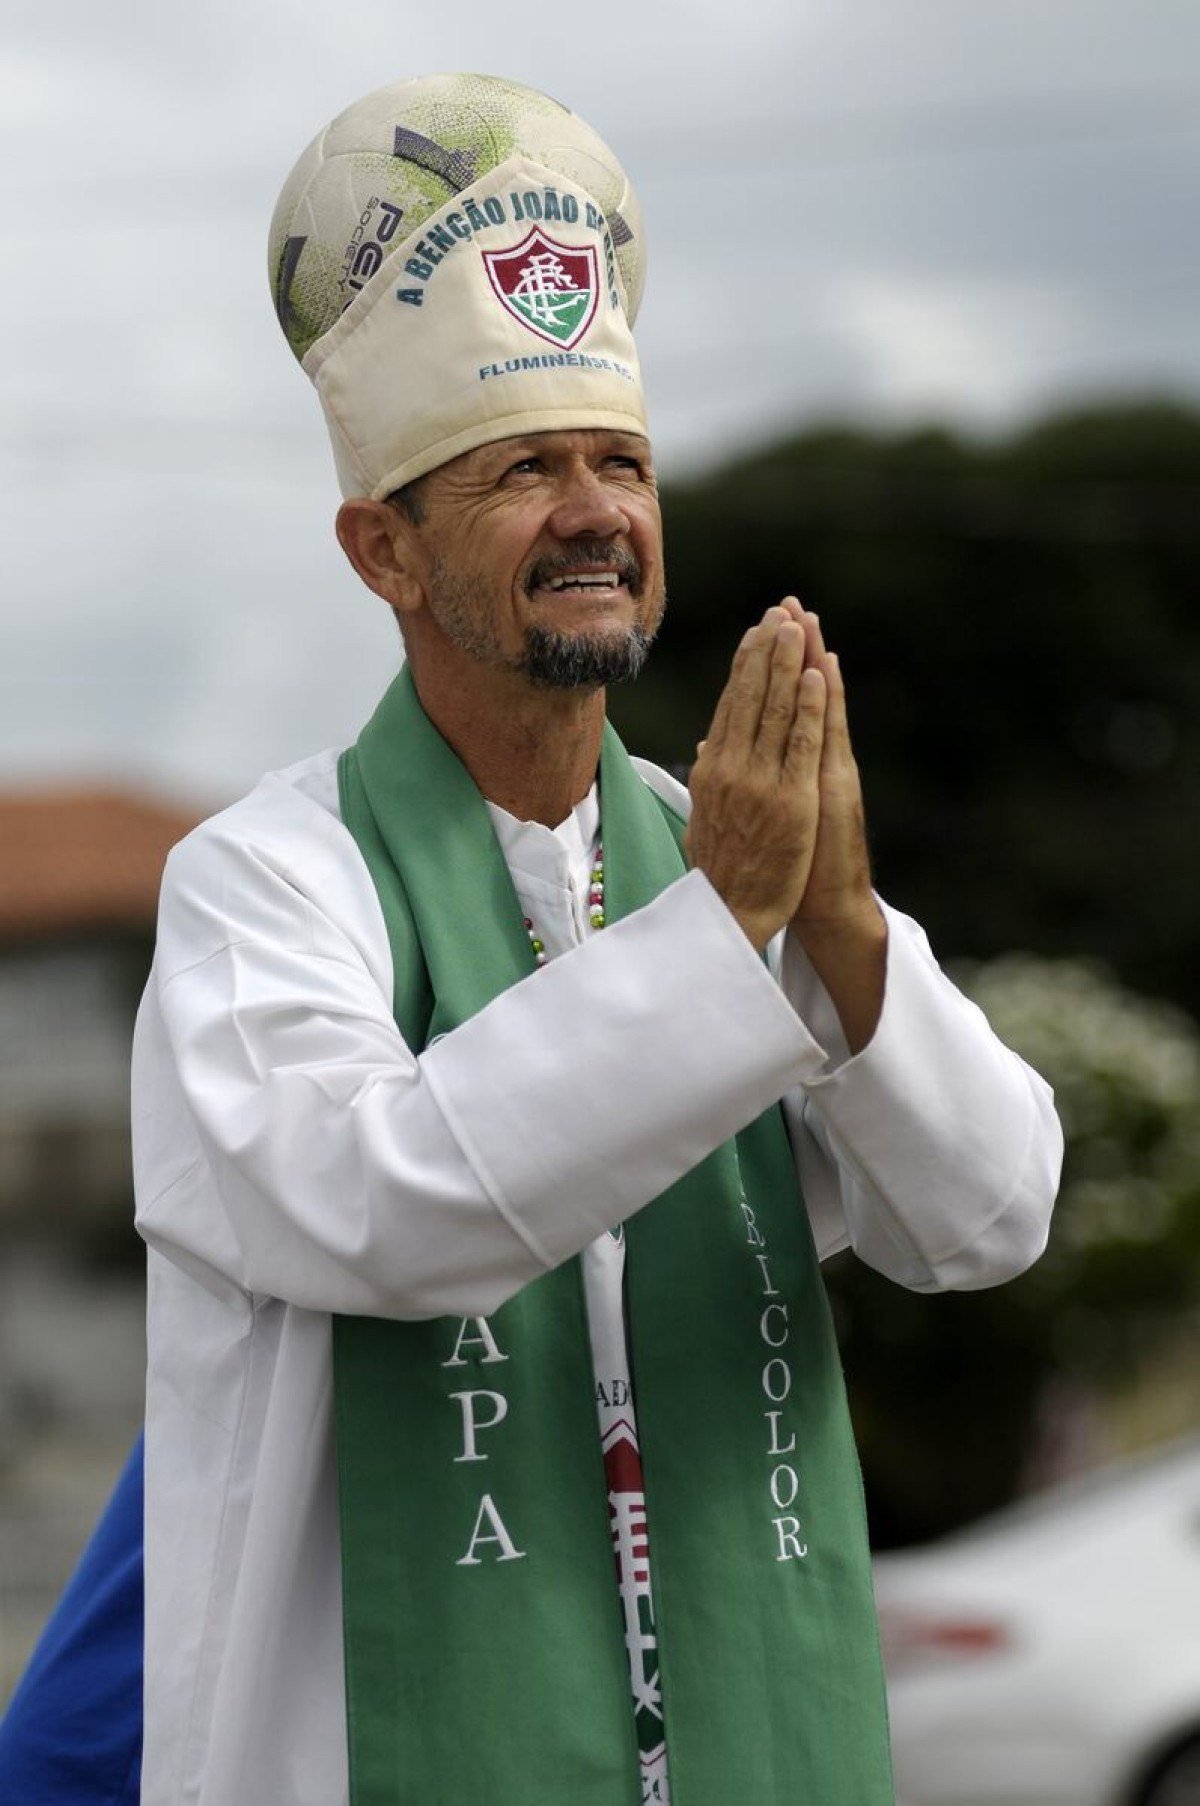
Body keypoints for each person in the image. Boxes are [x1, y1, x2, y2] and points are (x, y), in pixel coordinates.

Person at [1, 74, 1061, 1806]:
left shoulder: (733, 859)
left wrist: (846, 926)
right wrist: (725, 930)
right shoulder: (266, 882)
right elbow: (385, 1204)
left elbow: (992, 1214)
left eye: (622, 464)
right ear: (382, 549)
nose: (595, 511)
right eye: (525, 472)